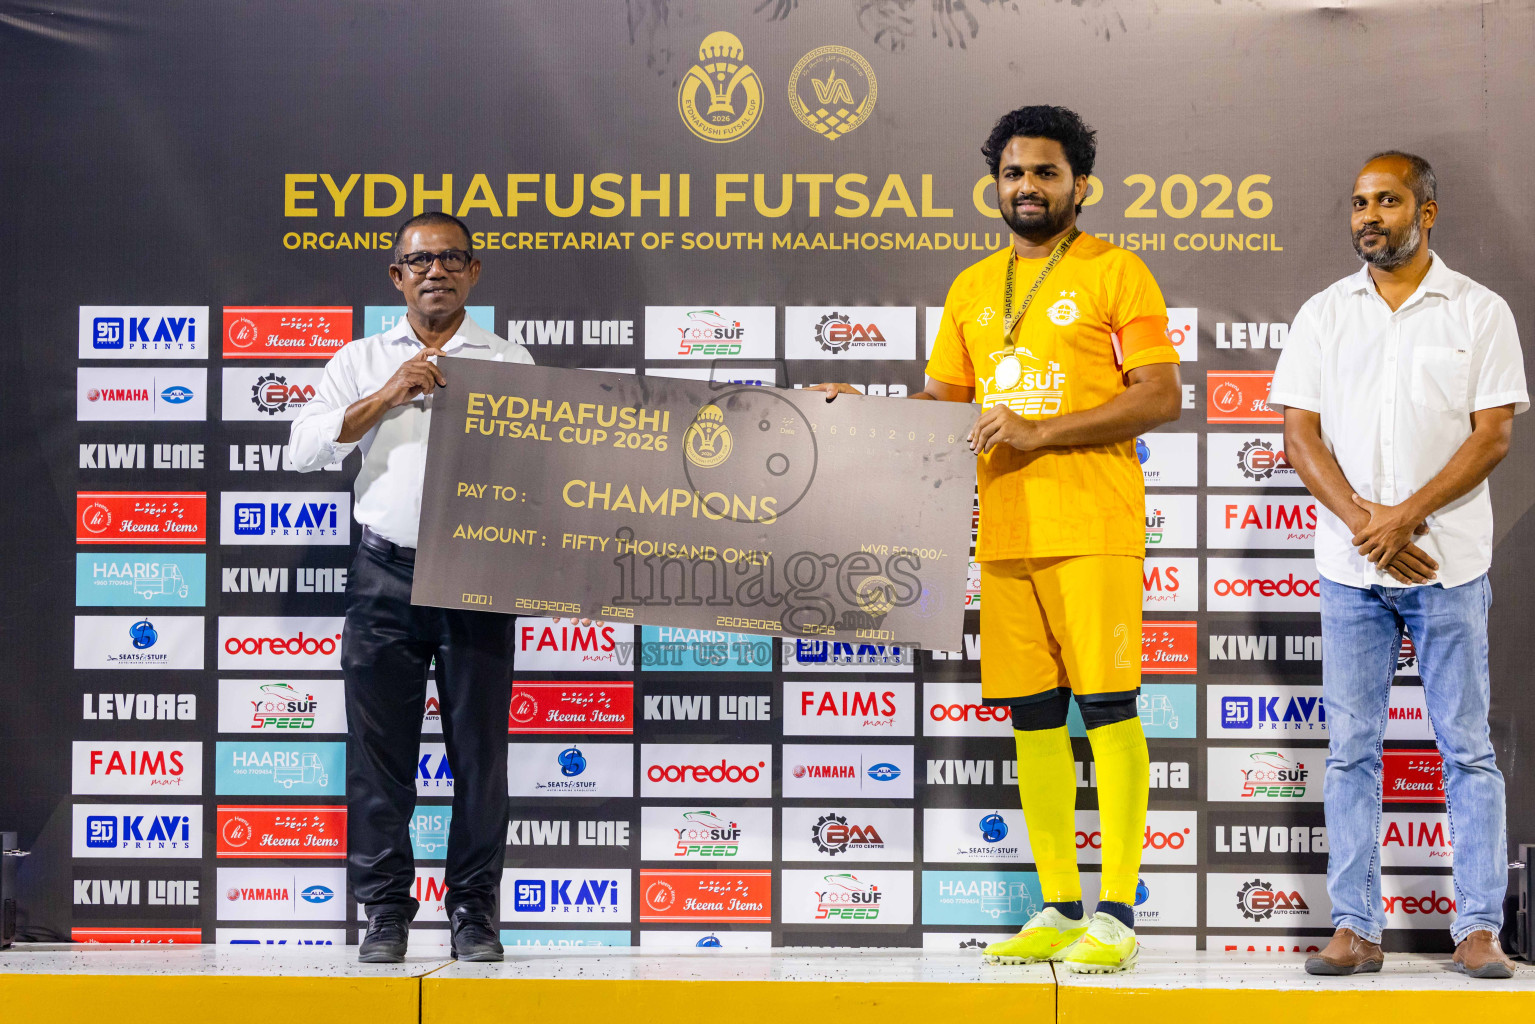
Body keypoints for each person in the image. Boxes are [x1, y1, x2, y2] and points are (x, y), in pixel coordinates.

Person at [812, 105, 1181, 973]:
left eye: (1046, 172)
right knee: (1033, 717)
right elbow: (944, 407)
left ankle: (1116, 914)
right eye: (1013, 173)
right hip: (1002, 533)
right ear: (995, 186)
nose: (1027, 187)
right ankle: (1057, 906)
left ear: (1080, 185)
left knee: (1109, 707)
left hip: (1091, 525)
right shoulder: (973, 286)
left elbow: (1160, 395)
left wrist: (1038, 432)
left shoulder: (1116, 271)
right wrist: (863, 410)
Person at [1270, 153, 1526, 979]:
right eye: (1358, 203)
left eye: (1386, 200)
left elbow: (1492, 434)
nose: (1368, 216)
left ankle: (1477, 928)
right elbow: (1299, 435)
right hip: (1351, 572)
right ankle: (1354, 927)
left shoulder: (1478, 311)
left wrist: (1403, 517)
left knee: (1466, 751)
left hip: (1446, 566)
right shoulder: (1323, 314)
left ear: (1426, 212)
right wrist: (1364, 526)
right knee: (1350, 751)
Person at [290, 212, 534, 963]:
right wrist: (388, 394)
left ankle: (474, 912)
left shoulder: (510, 360)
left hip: (476, 577)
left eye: (452, 258)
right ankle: (386, 912)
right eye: (420, 261)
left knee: (480, 757)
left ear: (473, 272)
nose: (436, 271)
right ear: (396, 276)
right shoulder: (360, 359)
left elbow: (546, 472)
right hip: (382, 575)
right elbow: (303, 450)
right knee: (379, 758)